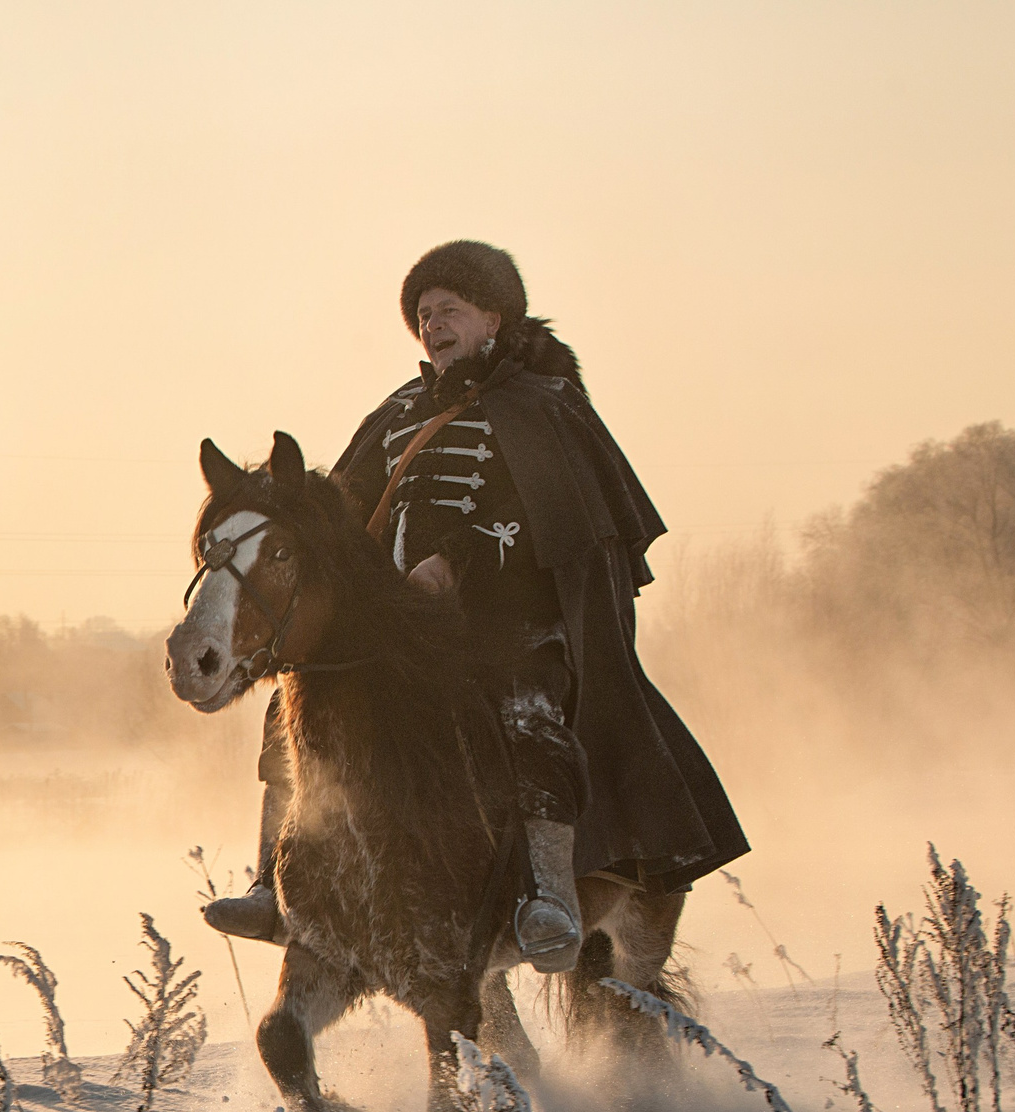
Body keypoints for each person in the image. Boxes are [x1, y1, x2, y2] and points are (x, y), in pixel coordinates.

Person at [202, 240, 747, 967]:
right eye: (423, 315)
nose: (432, 325)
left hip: (509, 623)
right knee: (297, 708)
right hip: (403, 631)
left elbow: (556, 513)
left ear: (493, 317)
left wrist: (457, 560)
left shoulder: (541, 405)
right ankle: (274, 881)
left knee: (528, 714)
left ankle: (549, 894)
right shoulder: (398, 412)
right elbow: (339, 509)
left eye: (448, 310)